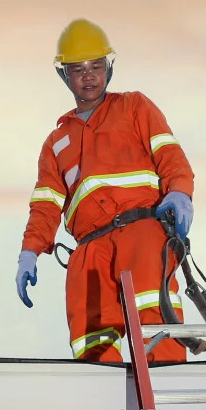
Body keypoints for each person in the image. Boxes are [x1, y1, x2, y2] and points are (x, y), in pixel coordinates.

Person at [16, 20, 196, 364]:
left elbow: (170, 156)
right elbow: (45, 207)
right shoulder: (56, 143)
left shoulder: (134, 107)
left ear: (108, 68)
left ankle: (168, 388)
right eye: (78, 69)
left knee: (154, 317)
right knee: (89, 334)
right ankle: (102, 406)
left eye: (96, 66)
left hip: (142, 231)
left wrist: (180, 193)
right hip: (88, 250)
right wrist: (30, 251)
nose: (88, 76)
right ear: (64, 75)